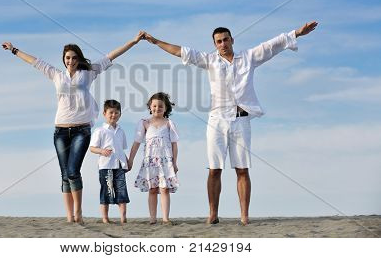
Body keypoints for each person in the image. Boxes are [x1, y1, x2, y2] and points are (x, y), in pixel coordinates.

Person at [143, 22, 318, 225]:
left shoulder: (249, 57)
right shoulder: (209, 61)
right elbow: (180, 51)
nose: (223, 44)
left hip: (241, 120)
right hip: (217, 121)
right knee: (214, 169)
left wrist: (297, 33)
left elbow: (272, 45)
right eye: (219, 41)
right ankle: (213, 214)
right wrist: (155, 41)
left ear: (232, 40)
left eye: (226, 39)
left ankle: (244, 216)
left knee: (242, 169)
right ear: (215, 44)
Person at [1, 31, 145, 224]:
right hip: (60, 130)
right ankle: (69, 217)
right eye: (68, 58)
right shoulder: (56, 75)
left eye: (74, 58)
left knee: (72, 171)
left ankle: (78, 212)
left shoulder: (88, 73)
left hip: (81, 130)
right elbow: (34, 61)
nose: (71, 61)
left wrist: (134, 42)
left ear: (79, 59)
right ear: (64, 59)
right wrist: (13, 50)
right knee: (64, 174)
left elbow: (111, 55)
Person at [128, 92, 179, 225]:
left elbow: (174, 145)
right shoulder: (145, 123)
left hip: (165, 161)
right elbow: (136, 143)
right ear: (150, 107)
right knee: (152, 189)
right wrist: (131, 160)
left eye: (161, 106)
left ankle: (165, 218)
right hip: (150, 162)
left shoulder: (169, 123)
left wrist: (174, 162)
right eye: (154, 106)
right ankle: (152, 218)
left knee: (164, 189)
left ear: (166, 108)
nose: (157, 108)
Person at [89, 99, 130, 224]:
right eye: (111, 112)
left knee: (122, 191)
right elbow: (92, 148)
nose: (114, 115)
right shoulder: (100, 131)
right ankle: (105, 218)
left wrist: (127, 162)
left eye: (116, 113)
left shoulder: (121, 131)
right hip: (105, 166)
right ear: (104, 113)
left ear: (120, 114)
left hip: (119, 166)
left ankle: (123, 218)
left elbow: (121, 150)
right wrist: (102, 151)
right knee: (106, 191)